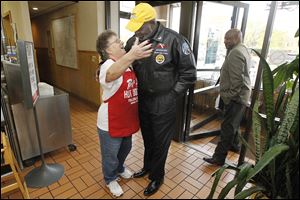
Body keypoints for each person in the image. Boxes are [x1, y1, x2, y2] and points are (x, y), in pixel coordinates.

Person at [125, 3, 196, 196]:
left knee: (160, 141)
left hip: (164, 101)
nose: (137, 31)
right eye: (135, 26)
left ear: (152, 22)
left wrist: (172, 95)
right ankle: (148, 167)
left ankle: (157, 177)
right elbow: (122, 62)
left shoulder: (174, 40)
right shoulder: (134, 41)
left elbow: (189, 74)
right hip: (143, 100)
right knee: (148, 137)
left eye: (140, 26)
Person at [95, 30, 152, 197]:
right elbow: (112, 74)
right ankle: (110, 178)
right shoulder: (107, 66)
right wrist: (131, 55)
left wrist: (132, 56)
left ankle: (119, 169)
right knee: (110, 154)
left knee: (126, 148)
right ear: (108, 50)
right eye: (116, 41)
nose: (121, 43)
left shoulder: (127, 63)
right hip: (110, 122)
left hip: (127, 118)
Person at [203, 28, 252, 166]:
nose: (225, 41)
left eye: (228, 38)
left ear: (236, 39)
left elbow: (237, 81)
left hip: (235, 98)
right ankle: (235, 146)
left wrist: (228, 96)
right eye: (225, 38)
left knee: (227, 127)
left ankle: (218, 158)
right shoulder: (243, 49)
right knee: (233, 124)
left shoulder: (235, 52)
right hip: (240, 97)